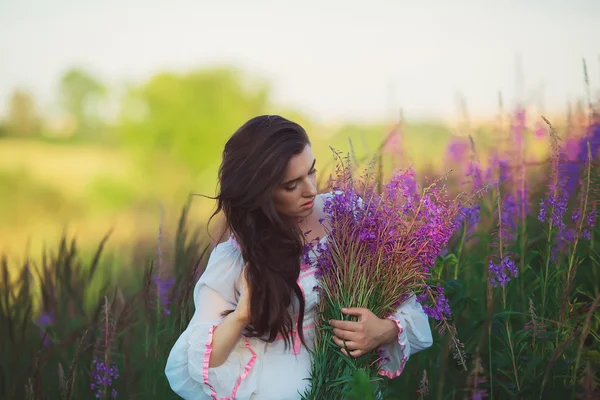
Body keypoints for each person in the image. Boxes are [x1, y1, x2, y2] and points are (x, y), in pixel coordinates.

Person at [164, 115, 433, 400]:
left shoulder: (349, 216)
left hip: (349, 386)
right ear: (261, 192)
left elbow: (408, 306)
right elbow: (203, 361)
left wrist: (383, 331)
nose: (311, 190)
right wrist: (242, 314)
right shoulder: (235, 258)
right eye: (292, 185)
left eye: (312, 172)